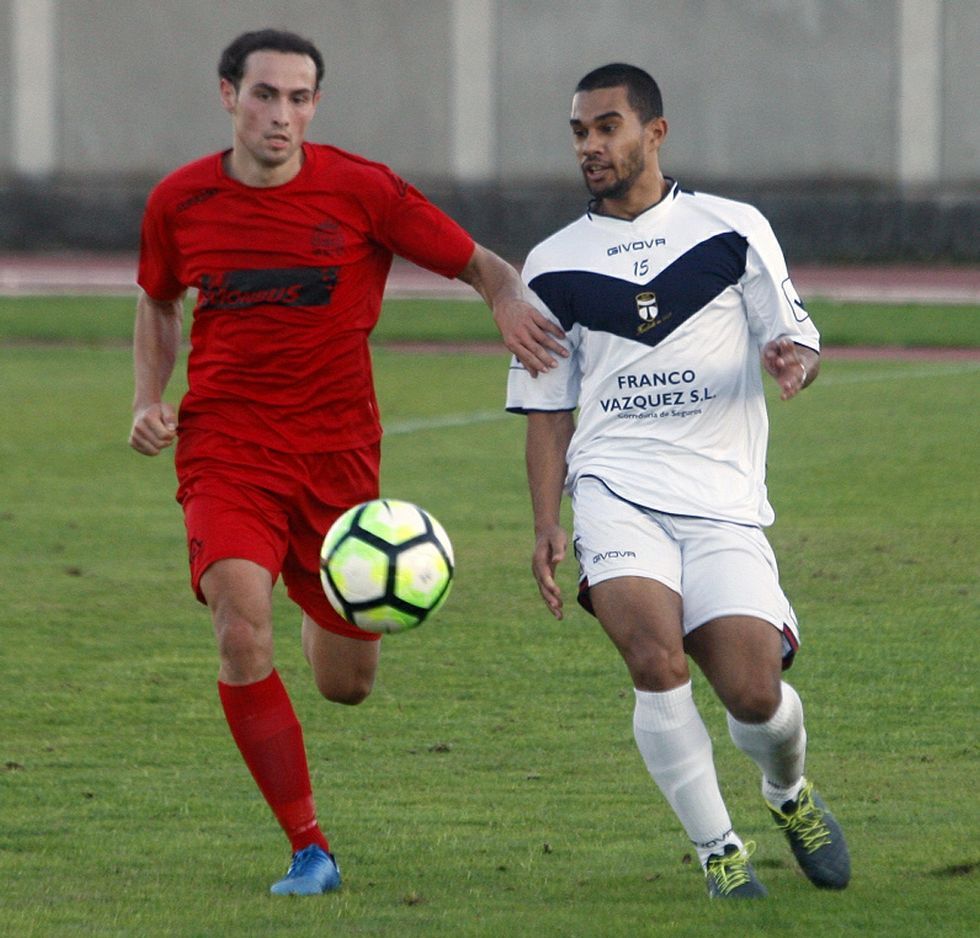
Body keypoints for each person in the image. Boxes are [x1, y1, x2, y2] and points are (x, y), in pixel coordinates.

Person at [129, 28, 565, 897]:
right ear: (228, 95)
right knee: (238, 626)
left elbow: (482, 266)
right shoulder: (180, 201)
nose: (280, 115)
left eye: (298, 98)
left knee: (347, 685)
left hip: (337, 462)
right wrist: (149, 397)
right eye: (264, 95)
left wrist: (508, 300)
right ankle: (309, 849)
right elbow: (158, 300)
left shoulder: (363, 190)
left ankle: (312, 592)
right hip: (227, 451)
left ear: (315, 105)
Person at [506, 63, 851, 899]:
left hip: (722, 498)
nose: (590, 146)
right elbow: (548, 410)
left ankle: (788, 792)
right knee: (656, 661)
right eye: (580, 132)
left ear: (655, 133)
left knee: (755, 693)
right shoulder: (550, 264)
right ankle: (719, 851)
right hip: (614, 488)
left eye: (608, 127)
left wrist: (793, 363)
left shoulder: (731, 228)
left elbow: (796, 340)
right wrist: (547, 521)